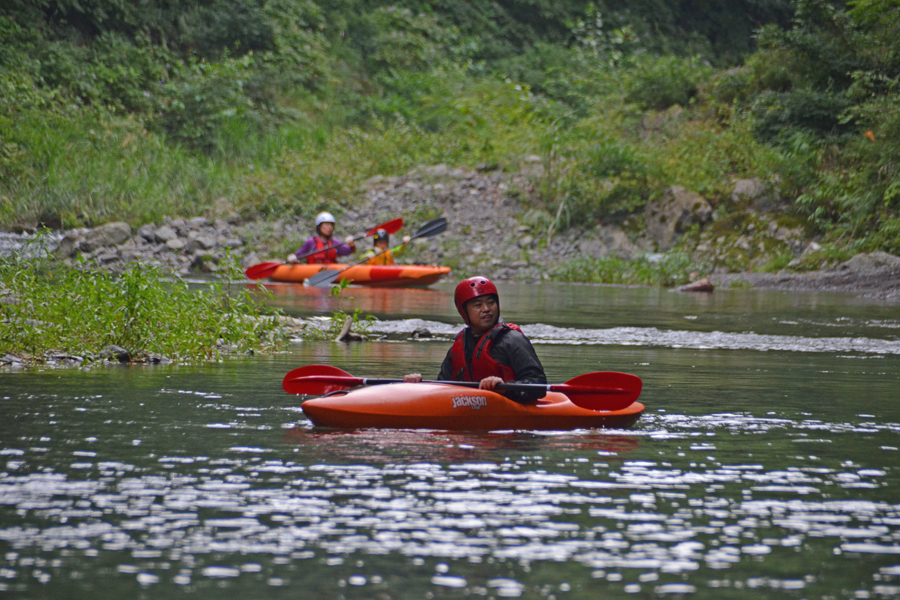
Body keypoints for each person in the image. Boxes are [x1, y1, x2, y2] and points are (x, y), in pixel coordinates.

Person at [405, 276, 547, 403]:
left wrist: (505, 387)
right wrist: (419, 385)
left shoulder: (513, 340)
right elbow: (442, 387)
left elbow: (538, 385)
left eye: (491, 303)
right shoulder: (460, 344)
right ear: (464, 312)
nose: (486, 309)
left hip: (510, 412)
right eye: (478, 305)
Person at [286, 211, 356, 265]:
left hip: (332, 272)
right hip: (313, 272)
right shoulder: (311, 242)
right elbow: (298, 256)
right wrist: (292, 258)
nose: (330, 227)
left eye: (331, 225)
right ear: (319, 226)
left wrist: (352, 244)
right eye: (326, 224)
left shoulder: (334, 242)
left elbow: (349, 250)